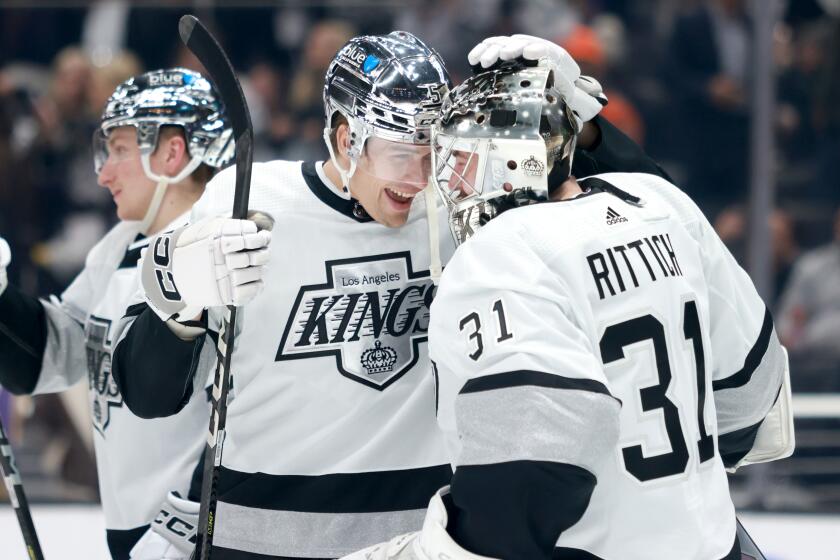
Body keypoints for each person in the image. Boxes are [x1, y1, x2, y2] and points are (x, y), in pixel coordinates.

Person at [112, 32, 671, 559]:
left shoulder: (466, 203)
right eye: (401, 154)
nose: (420, 177)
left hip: (421, 542)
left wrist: (585, 125)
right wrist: (173, 302)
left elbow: (646, 216)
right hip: (255, 540)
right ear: (342, 138)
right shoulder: (245, 202)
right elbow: (148, 397)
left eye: (435, 152)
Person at [346, 59, 794, 560]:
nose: (451, 183)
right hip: (715, 542)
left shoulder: (502, 251)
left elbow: (532, 470)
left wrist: (444, 552)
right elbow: (752, 390)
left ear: (511, 164)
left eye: (462, 160)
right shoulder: (660, 202)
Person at [0, 68, 243, 559]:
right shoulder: (119, 246)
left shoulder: (229, 252)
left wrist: (187, 523)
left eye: (120, 150)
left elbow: (261, 413)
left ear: (172, 153)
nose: (104, 172)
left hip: (203, 539)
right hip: (135, 533)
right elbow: (55, 355)